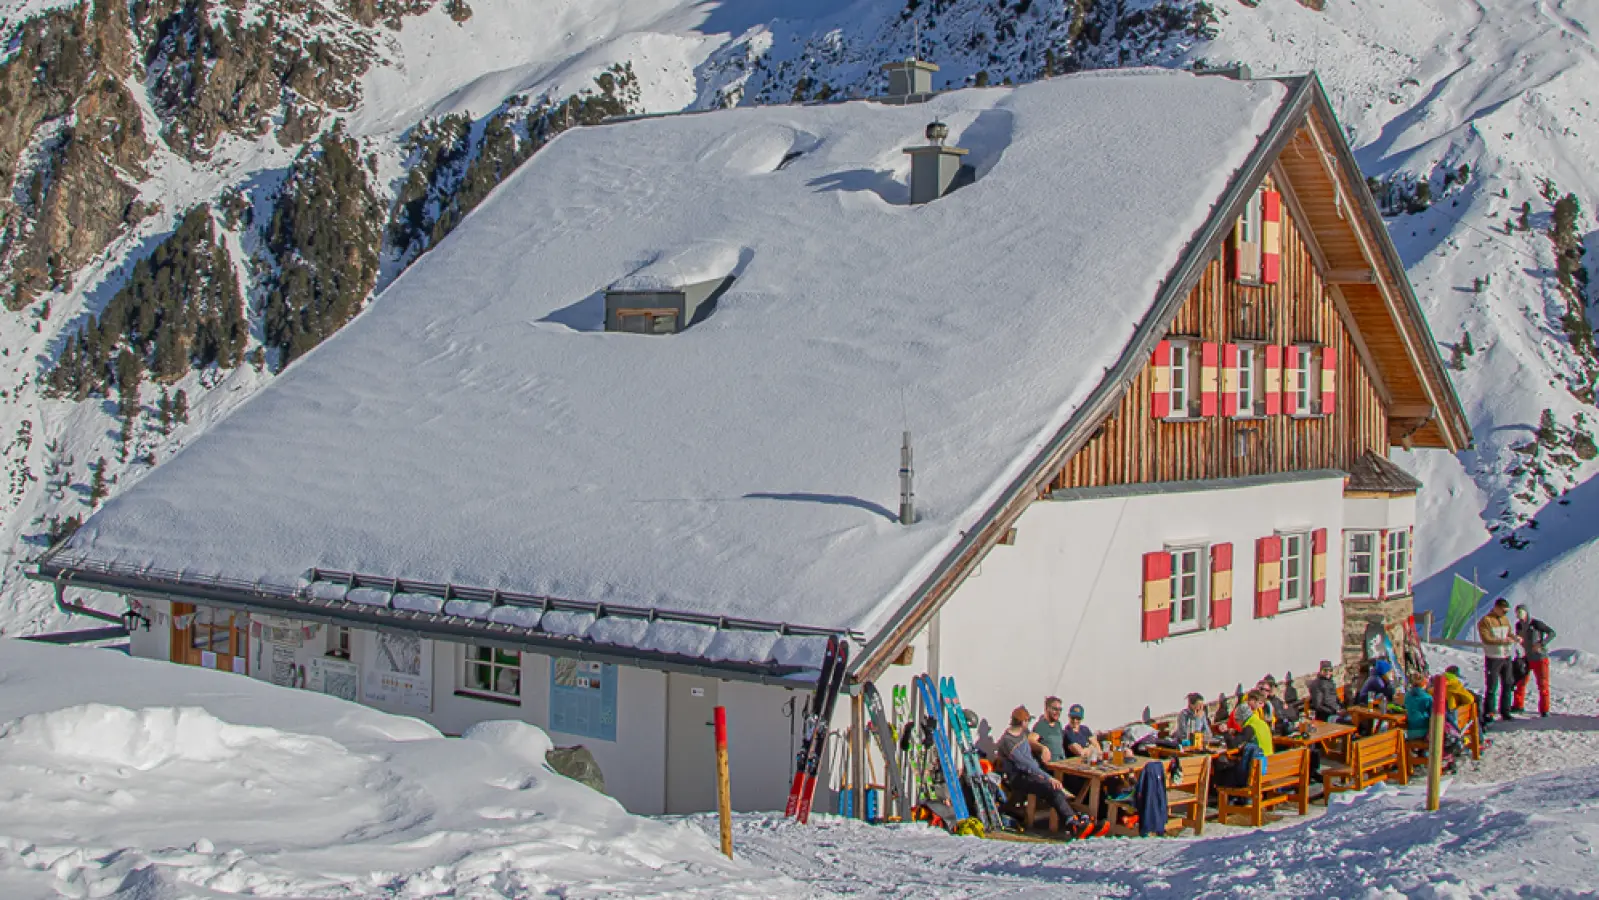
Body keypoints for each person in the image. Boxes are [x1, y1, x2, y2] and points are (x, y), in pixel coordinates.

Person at [997, 706, 1090, 835]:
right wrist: (1047, 777)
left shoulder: (1023, 734)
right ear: (1023, 722)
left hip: (1031, 774)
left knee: (1057, 787)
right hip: (1018, 778)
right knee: (1052, 788)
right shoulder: (1008, 741)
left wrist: (1043, 751)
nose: (1028, 724)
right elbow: (1026, 765)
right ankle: (1072, 822)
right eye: (1027, 721)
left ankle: (1074, 817)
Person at [1214, 691, 1272, 788]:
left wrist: (1225, 732)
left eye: (1237, 720)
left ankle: (1224, 797)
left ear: (1242, 718)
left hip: (1258, 770)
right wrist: (1236, 732)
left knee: (1223, 770)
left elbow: (1232, 746)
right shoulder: (1261, 723)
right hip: (1267, 764)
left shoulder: (1250, 728)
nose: (1237, 724)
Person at [1512, 605, 1557, 718]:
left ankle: (1544, 709)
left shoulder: (1536, 624)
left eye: (1521, 612)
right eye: (1517, 612)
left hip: (1540, 658)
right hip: (1526, 657)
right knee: (1520, 681)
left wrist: (1541, 644)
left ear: (1526, 612)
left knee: (1542, 684)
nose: (1519, 615)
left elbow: (1551, 633)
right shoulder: (1518, 625)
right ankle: (1518, 705)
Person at [1477, 598, 1517, 723]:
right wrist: (1502, 641)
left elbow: (1509, 632)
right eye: (1503, 611)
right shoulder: (1486, 621)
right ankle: (1489, 711)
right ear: (1496, 608)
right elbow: (1486, 639)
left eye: (1506, 612)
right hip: (1493, 656)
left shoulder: (1505, 620)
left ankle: (1505, 710)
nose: (1504, 614)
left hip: (1506, 655)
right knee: (1492, 686)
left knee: (1508, 683)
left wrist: (1514, 637)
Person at [1032, 697, 1067, 763]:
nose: (1058, 712)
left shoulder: (1058, 724)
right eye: (1055, 709)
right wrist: (1043, 748)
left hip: (1062, 764)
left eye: (1060, 709)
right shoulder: (1041, 725)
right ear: (1047, 709)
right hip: (1050, 767)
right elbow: (1031, 740)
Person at [1403, 671, 1433, 741]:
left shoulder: (1407, 695)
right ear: (1424, 684)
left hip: (1410, 731)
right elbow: (1433, 715)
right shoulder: (1428, 698)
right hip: (1424, 732)